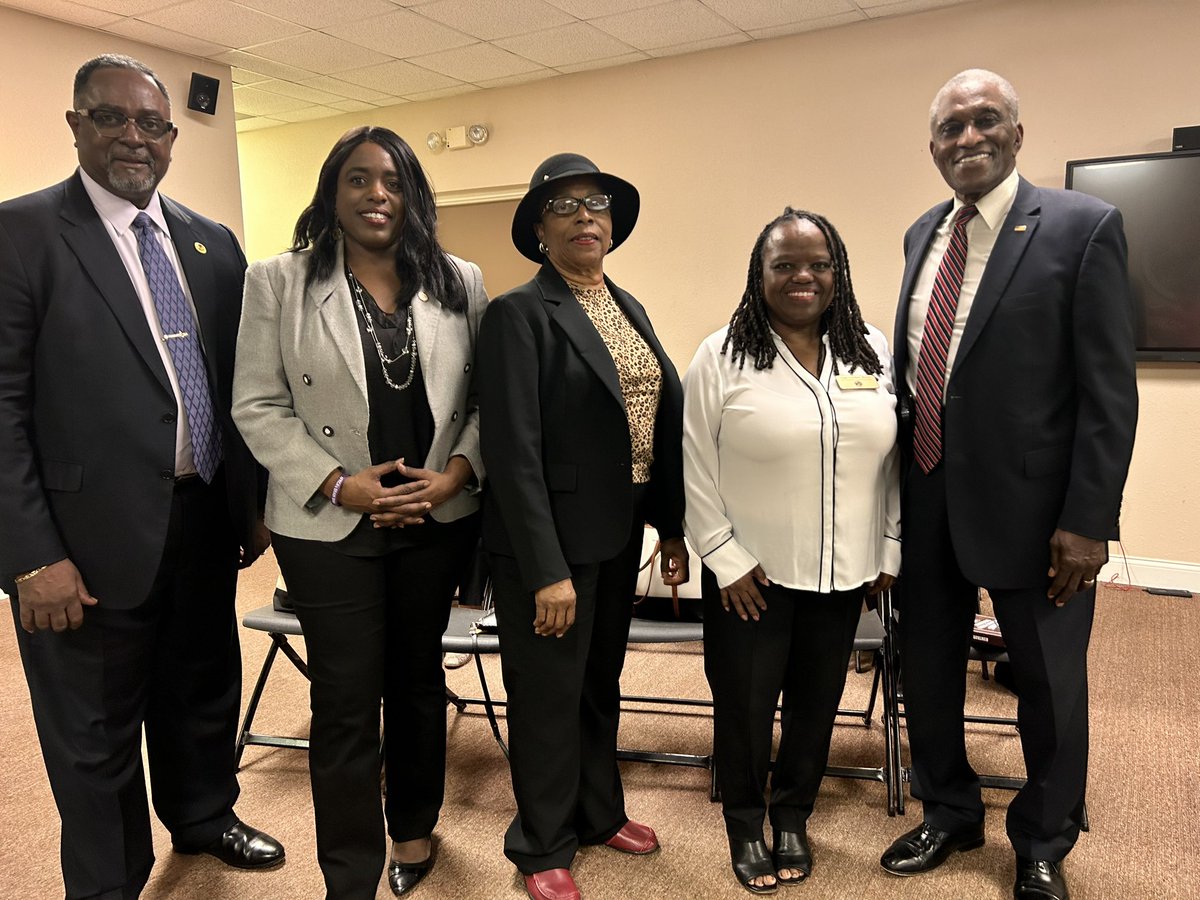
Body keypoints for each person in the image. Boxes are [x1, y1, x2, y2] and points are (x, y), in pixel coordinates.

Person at [0, 54, 284, 899]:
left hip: (201, 518)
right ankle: (109, 881)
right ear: (76, 124)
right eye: (111, 118)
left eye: (152, 124)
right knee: (95, 733)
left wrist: (254, 504)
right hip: (78, 548)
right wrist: (27, 559)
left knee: (201, 686)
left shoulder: (211, 242)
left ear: (170, 139)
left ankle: (203, 814)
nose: (135, 137)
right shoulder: (20, 237)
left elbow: (242, 386)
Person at [879, 69, 1138, 900]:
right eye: (950, 129)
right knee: (926, 668)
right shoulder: (923, 232)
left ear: (1018, 134)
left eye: (985, 121)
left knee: (1050, 683)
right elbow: (922, 374)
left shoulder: (1082, 226)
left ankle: (1042, 839)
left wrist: (1089, 519)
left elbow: (1108, 391)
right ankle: (948, 810)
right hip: (926, 493)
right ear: (933, 148)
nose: (967, 139)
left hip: (1039, 513)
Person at [232, 125, 487, 898]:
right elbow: (258, 404)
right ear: (332, 193)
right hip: (329, 522)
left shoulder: (460, 280)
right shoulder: (279, 281)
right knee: (344, 699)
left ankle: (413, 829)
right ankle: (350, 872)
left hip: (432, 515)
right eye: (359, 179)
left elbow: (487, 398)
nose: (378, 194)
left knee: (416, 682)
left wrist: (454, 476)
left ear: (414, 195)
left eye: (394, 181)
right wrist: (344, 485)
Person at [476, 153, 689, 900]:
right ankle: (539, 844)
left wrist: (669, 526)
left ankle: (599, 814)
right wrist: (545, 570)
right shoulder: (518, 313)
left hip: (619, 528)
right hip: (552, 542)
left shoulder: (627, 304)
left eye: (596, 203)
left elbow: (653, 420)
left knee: (600, 684)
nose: (585, 216)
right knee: (547, 696)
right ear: (540, 229)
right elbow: (513, 453)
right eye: (564, 207)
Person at [682, 208, 900, 894]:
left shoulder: (872, 348)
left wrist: (888, 547)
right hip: (752, 578)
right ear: (760, 274)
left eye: (818, 264)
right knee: (743, 709)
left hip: (844, 577)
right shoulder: (721, 355)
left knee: (816, 703)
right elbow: (693, 466)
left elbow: (891, 462)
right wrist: (723, 555)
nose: (802, 277)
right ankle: (746, 823)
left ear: (838, 273)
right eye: (785, 264)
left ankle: (793, 817)